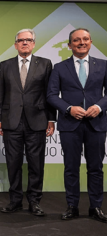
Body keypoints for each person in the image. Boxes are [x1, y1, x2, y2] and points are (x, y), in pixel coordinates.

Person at [47, 28, 107, 223]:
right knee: (71, 168)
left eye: (86, 39)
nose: (82, 42)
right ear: (70, 44)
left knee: (96, 168)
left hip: (96, 124)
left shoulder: (104, 65)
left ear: (90, 42)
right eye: (77, 40)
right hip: (69, 124)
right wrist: (68, 109)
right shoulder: (59, 67)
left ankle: (95, 207)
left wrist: (99, 106)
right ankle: (72, 206)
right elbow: (51, 95)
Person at [0, 29, 55, 216]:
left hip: (37, 121)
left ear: (34, 44)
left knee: (36, 163)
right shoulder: (5, 65)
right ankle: (15, 201)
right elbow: (0, 95)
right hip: (11, 121)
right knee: (13, 163)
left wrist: (51, 119)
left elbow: (50, 94)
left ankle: (34, 201)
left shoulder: (45, 64)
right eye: (21, 40)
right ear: (15, 44)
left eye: (28, 40)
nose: (24, 43)